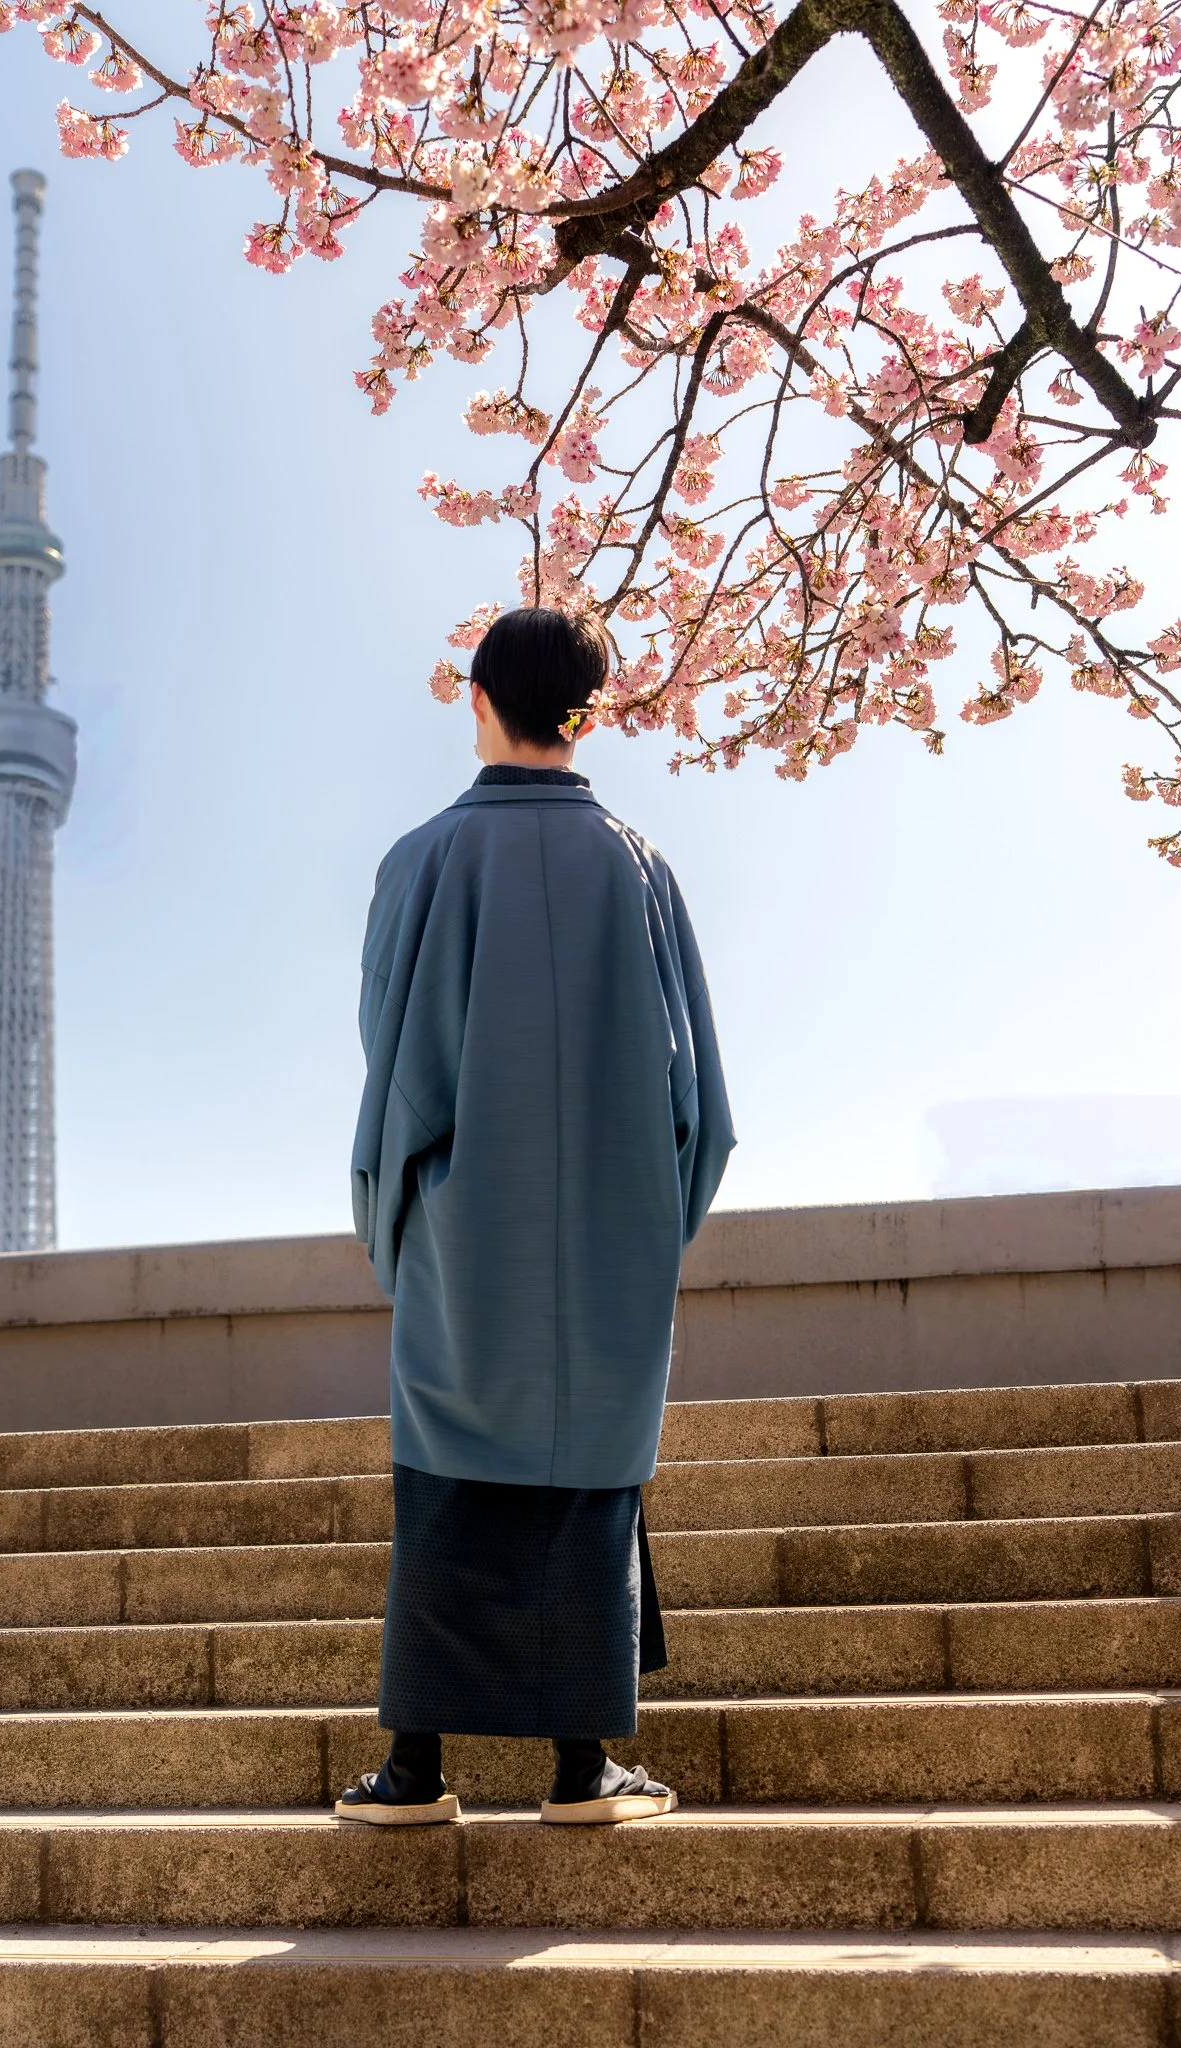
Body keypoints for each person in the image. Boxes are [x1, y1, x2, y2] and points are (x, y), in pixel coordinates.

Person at [340, 606, 734, 1826]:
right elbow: (696, 1100)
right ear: (588, 712)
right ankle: (580, 1765)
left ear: (478, 698)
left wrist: (396, 1219)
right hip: (610, 1226)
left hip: (465, 1226)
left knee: (446, 1473)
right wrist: (646, 1224)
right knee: (589, 1471)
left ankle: (413, 1767)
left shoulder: (423, 858)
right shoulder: (638, 863)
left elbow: (396, 1066)